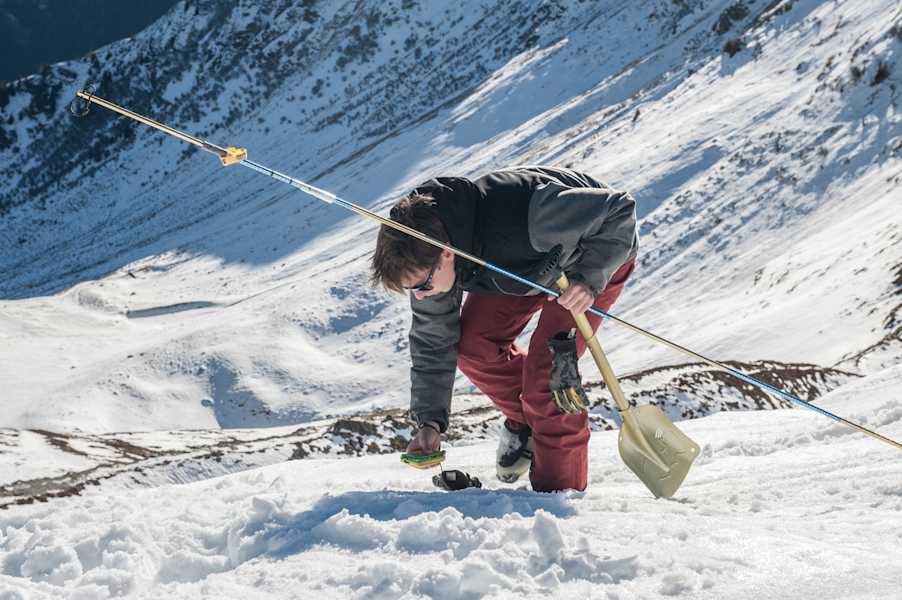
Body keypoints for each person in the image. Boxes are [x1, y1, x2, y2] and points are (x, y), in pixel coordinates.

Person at [370, 165, 638, 492]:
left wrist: (589, 279)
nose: (421, 296)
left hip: (596, 255)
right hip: (524, 266)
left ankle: (557, 496)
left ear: (447, 254)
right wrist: (429, 422)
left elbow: (618, 212)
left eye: (422, 285)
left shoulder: (530, 216)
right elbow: (433, 341)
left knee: (550, 374)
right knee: (473, 346)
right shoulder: (428, 250)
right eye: (413, 290)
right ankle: (531, 422)